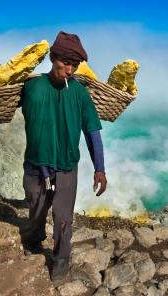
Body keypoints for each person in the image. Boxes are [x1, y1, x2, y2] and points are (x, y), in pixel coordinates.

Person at [19, 31, 107, 281]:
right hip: (35, 164)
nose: (69, 69)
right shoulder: (31, 87)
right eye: (65, 62)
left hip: (66, 167)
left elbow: (92, 132)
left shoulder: (79, 94)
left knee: (63, 217)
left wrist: (99, 168)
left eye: (74, 65)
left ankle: (61, 259)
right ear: (52, 57)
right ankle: (34, 237)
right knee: (36, 208)